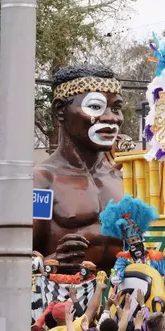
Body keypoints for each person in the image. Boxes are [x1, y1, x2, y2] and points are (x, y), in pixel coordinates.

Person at [33, 64, 125, 274]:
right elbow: (11, 258)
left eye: (116, 108)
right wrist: (52, 263)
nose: (112, 118)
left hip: (118, 300)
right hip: (60, 300)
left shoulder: (120, 178)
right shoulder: (42, 180)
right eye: (95, 107)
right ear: (60, 110)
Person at [101, 195, 165, 285]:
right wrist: (114, 279)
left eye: (137, 244)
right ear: (128, 246)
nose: (136, 249)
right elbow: (117, 272)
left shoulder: (155, 257)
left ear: (142, 242)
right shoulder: (123, 259)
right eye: (132, 245)